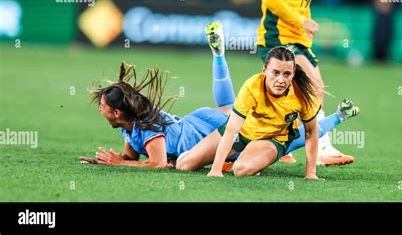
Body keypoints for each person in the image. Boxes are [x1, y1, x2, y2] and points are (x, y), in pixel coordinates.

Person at [81, 21, 359, 172]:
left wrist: (123, 164)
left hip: (205, 127)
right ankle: (218, 55)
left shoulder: (147, 129)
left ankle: (338, 116)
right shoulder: (132, 129)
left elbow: (156, 163)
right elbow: (133, 158)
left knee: (292, 135)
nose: (100, 109)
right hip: (203, 123)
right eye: (276, 73)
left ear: (118, 113)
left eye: (103, 106)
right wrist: (115, 160)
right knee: (228, 112)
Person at [176, 22, 360, 178]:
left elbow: (311, 133)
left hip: (273, 139)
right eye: (275, 73)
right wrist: (215, 169)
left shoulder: (302, 95)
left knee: (241, 170)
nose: (281, 79)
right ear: (265, 70)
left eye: (287, 74)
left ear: (293, 74)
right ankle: (228, 157)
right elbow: (232, 129)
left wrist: (310, 173)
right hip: (243, 134)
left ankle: (339, 116)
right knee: (183, 165)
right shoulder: (252, 86)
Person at [255, 0, 354, 165]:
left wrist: (305, 26)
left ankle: (274, 145)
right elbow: (271, 0)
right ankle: (321, 148)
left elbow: (298, 2)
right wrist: (301, 21)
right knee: (313, 89)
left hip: (298, 39)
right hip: (278, 37)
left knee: (292, 94)